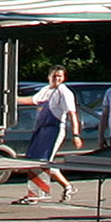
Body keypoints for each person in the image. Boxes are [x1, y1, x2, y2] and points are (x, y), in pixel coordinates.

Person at [21, 68, 78, 204]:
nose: (56, 79)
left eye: (59, 76)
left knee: (43, 161)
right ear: (49, 77)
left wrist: (76, 134)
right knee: (35, 161)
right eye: (54, 76)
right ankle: (67, 187)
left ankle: (36, 195)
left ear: (63, 78)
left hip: (55, 129)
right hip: (41, 129)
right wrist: (12, 99)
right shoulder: (46, 90)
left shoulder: (64, 92)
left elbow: (72, 113)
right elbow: (32, 100)